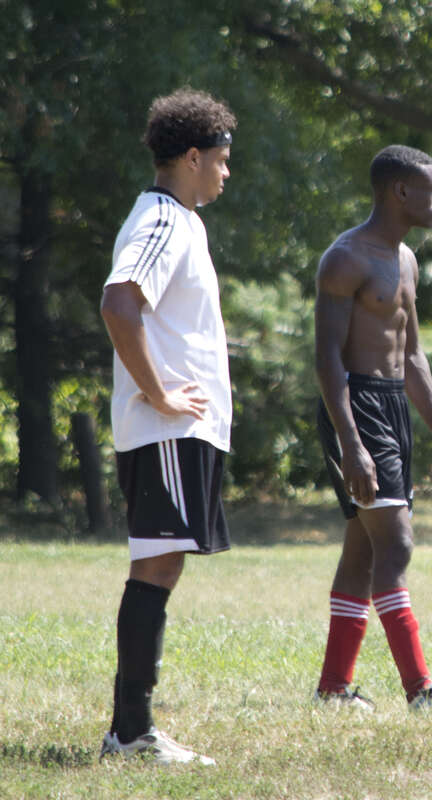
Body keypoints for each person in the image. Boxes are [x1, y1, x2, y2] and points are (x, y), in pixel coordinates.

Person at [99, 87, 237, 764]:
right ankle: (131, 733)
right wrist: (159, 394)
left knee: (164, 563)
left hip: (180, 433)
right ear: (191, 155)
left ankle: (131, 728)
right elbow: (119, 303)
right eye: (220, 158)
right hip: (164, 432)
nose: (225, 171)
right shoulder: (160, 219)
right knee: (155, 565)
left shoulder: (182, 221)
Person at [314, 144, 432, 711]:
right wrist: (350, 442)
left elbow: (413, 357)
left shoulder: (405, 260)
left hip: (393, 409)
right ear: (399, 192)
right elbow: (327, 358)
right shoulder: (345, 258)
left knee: (363, 551)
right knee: (397, 544)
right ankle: (421, 692)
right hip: (356, 408)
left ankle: (333, 691)